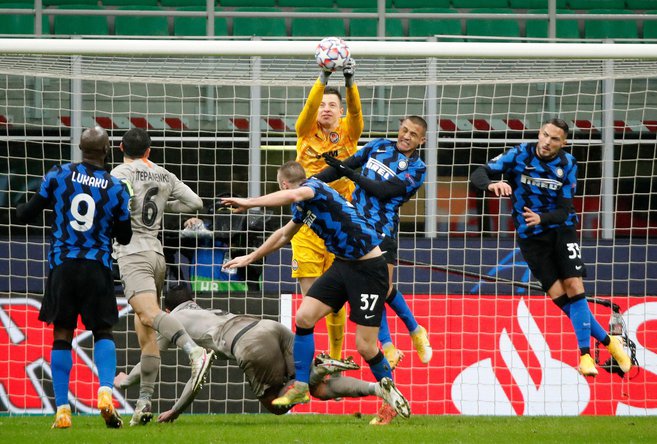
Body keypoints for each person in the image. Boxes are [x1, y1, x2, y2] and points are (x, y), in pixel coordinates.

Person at [221, 161, 411, 422]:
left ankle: (389, 404)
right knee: (304, 317)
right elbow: (283, 235)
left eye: (282, 187)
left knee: (365, 346)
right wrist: (250, 257)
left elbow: (296, 194)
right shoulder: (301, 205)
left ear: (283, 184)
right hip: (343, 266)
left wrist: (249, 202)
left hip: (369, 269)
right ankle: (300, 387)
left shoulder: (313, 188)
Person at [469, 117, 631, 377]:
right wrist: (491, 183)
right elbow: (479, 171)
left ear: (563, 143)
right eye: (544, 135)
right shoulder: (519, 154)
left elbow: (565, 208)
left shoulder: (567, 164)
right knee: (563, 299)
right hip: (530, 238)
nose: (546, 142)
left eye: (554, 138)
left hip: (560, 231)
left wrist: (541, 218)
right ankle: (611, 343)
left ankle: (585, 356)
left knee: (575, 286)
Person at [113, 284, 410, 422]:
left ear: (166, 310)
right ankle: (377, 388)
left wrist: (128, 384)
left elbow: (154, 363)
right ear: (192, 299)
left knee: (276, 404)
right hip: (267, 326)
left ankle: (319, 369)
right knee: (315, 388)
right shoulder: (202, 310)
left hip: (247, 344)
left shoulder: (171, 323)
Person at [15, 127, 132, 429]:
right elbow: (125, 236)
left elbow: (27, 214)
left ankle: (63, 410)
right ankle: (105, 390)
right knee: (103, 331)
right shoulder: (116, 187)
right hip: (97, 266)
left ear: (79, 148)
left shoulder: (58, 175)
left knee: (62, 334)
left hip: (63, 266)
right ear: (107, 151)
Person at [111, 128, 214, 427]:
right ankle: (144, 402)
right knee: (146, 332)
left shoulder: (120, 173)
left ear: (120, 147)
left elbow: (120, 206)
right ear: (149, 151)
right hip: (157, 255)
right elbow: (195, 203)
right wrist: (165, 204)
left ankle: (194, 352)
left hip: (133, 253)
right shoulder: (164, 175)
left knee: (148, 313)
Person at [316, 116, 433, 372]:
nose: (406, 136)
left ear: (421, 140)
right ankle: (389, 346)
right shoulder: (378, 145)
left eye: (413, 134)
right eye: (404, 130)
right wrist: (313, 182)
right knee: (369, 289)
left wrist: (349, 174)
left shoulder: (417, 168)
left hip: (383, 231)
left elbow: (383, 191)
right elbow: (343, 166)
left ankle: (415, 330)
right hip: (356, 227)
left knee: (383, 287)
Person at [291, 57, 362, 362]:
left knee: (335, 300)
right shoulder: (305, 131)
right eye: (322, 105)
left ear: (340, 111)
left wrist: (349, 81)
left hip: (341, 225)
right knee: (311, 301)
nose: (326, 109)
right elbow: (307, 109)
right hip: (307, 223)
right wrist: (323, 76)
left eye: (332, 105)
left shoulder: (349, 132)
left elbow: (358, 112)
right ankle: (308, 360)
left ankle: (335, 357)